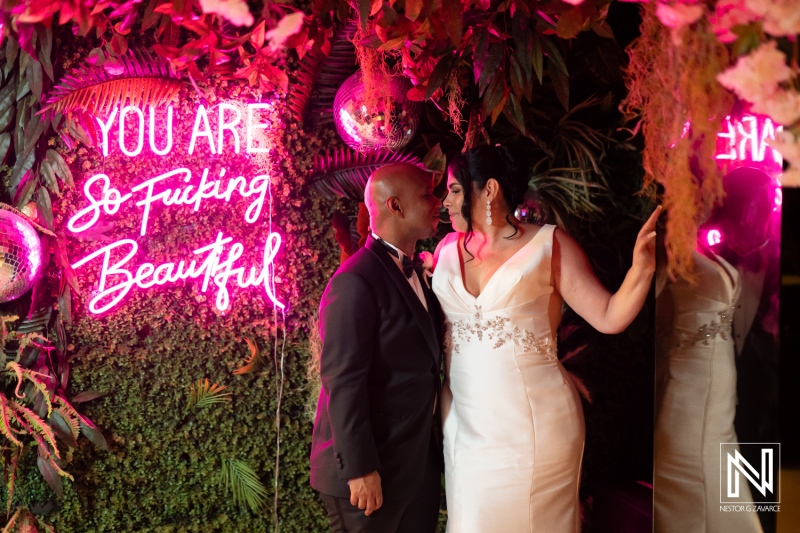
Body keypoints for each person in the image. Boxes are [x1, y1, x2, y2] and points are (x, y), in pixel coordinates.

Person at [431, 145, 658, 532]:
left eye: (454, 190)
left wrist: (642, 269)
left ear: (488, 190)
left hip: (532, 426)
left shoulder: (549, 245)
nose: (446, 202)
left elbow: (608, 316)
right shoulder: (445, 250)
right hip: (463, 426)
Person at [310, 162, 444, 532]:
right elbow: (343, 380)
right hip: (370, 472)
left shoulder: (419, 272)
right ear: (395, 206)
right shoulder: (355, 279)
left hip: (414, 467)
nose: (438, 202)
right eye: (426, 195)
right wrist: (360, 468)